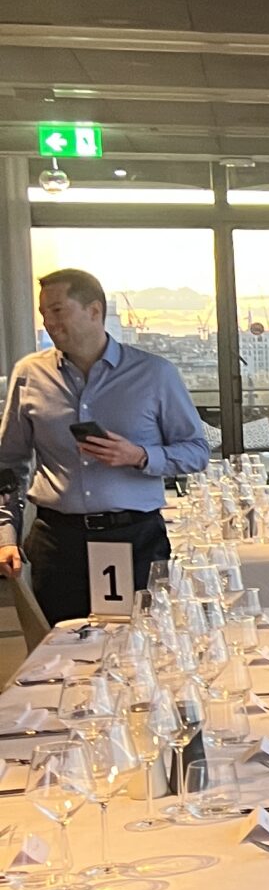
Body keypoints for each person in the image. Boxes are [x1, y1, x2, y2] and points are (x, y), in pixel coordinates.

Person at [0, 267, 211, 624]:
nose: (48, 322)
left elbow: (197, 451)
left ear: (94, 311)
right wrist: (6, 533)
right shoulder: (29, 373)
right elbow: (8, 465)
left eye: (57, 310)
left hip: (135, 538)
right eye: (43, 313)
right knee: (63, 657)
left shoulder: (154, 373)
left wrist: (141, 456)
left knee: (144, 649)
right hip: (57, 543)